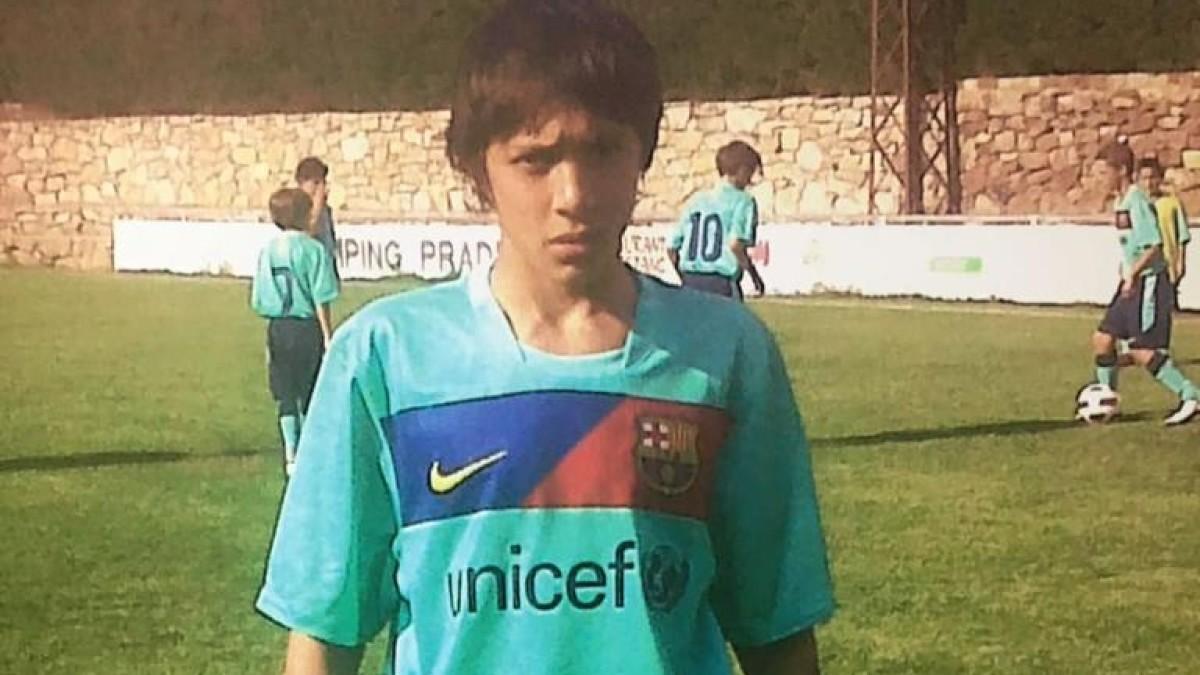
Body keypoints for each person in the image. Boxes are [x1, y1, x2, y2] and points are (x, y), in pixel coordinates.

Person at [255, 2, 835, 674]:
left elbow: (779, 634)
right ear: (479, 171)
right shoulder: (385, 357)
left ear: (642, 154)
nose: (574, 193)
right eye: (535, 159)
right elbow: (325, 634)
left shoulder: (726, 355)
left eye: (602, 150)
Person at [1089, 147, 1198, 425]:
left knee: (1142, 350)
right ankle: (1107, 398)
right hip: (1131, 281)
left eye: (1103, 172)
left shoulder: (1136, 200)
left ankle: (1190, 395)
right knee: (1103, 340)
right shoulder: (1121, 202)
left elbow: (1154, 245)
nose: (1099, 178)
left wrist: (1133, 273)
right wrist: (1126, 270)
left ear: (1121, 171)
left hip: (1148, 282)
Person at [250, 188, 340, 477]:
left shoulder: (268, 251)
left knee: (285, 392)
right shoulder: (313, 250)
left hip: (279, 327)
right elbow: (321, 296)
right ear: (304, 215)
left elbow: (260, 298)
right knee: (311, 392)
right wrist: (328, 335)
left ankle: (291, 454)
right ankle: (314, 452)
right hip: (306, 328)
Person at [667, 140, 765, 299]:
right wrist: (754, 277)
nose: (750, 179)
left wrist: (683, 275)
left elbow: (672, 247)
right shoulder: (743, 201)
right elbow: (735, 244)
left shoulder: (695, 200)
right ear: (741, 170)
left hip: (690, 280)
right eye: (750, 171)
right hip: (721, 282)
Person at [1141, 157, 1191, 293]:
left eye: (1152, 178)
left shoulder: (1172, 203)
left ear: (1160, 178)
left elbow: (1182, 236)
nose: (1149, 183)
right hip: (1143, 265)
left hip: (1167, 264)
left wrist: (1181, 262)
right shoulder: (1138, 205)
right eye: (1144, 179)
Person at [295, 156, 340, 281]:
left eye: (322, 182)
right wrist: (317, 203)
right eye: (315, 183)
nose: (321, 188)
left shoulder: (326, 210)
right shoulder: (297, 207)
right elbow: (309, 230)